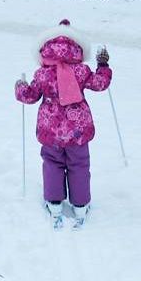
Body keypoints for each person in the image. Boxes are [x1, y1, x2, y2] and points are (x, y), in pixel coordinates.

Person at [15, 19, 112, 229]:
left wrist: (20, 87)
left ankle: (55, 202)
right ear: (76, 48)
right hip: (78, 131)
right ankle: (80, 204)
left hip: (51, 131)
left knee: (52, 164)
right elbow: (100, 83)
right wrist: (103, 66)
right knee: (79, 165)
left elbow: (30, 96)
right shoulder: (81, 71)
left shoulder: (42, 74)